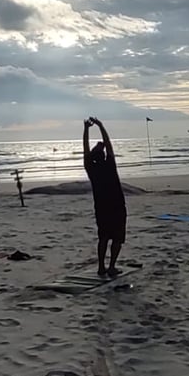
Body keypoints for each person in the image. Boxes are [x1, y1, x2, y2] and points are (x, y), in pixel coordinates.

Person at [83, 117, 127, 277]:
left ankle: (102, 266)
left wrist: (86, 129)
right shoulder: (109, 164)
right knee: (117, 238)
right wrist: (100, 126)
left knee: (103, 237)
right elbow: (108, 144)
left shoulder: (91, 168)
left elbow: (85, 149)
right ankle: (111, 266)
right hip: (117, 206)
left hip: (102, 207)